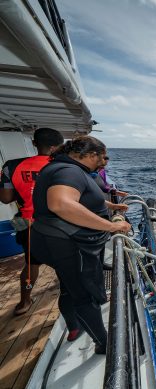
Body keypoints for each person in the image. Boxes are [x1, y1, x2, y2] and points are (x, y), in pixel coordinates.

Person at [30, 136, 131, 354]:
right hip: (68, 245)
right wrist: (112, 226)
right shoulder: (70, 171)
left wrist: (110, 204)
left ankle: (75, 327)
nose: (105, 163)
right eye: (103, 157)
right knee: (83, 294)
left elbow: (82, 196)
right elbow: (61, 204)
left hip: (57, 242)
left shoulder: (65, 168)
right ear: (88, 154)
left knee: (69, 286)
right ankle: (104, 344)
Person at [0, 128, 64, 317]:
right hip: (58, 223)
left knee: (30, 264)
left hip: (27, 224)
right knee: (63, 262)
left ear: (35, 144)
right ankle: (67, 298)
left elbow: (5, 199)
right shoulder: (64, 165)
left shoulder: (11, 166)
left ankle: (24, 301)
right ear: (58, 147)